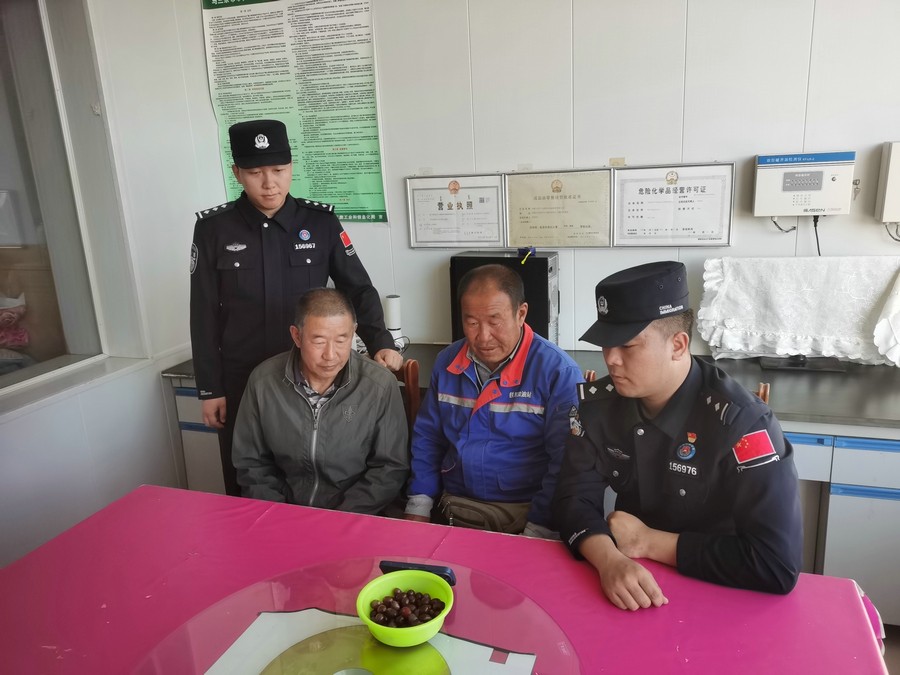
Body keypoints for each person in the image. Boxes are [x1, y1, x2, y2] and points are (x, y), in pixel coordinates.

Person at [552, 261, 802, 611]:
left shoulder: (740, 422)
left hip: (720, 588)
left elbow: (776, 564)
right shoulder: (600, 407)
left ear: (678, 345)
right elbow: (573, 499)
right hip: (630, 578)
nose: (611, 360)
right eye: (606, 345)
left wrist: (649, 542)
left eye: (627, 346)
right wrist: (609, 560)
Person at [190, 119, 401, 496]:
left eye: (278, 170)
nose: (269, 183)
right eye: (255, 172)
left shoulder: (320, 222)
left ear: (291, 167)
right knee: (247, 480)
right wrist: (210, 388)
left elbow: (358, 287)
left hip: (312, 376)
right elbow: (202, 313)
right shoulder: (214, 229)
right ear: (237, 173)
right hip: (242, 379)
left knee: (315, 470)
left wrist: (381, 341)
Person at [404, 264, 582, 537]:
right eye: (472, 323)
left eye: (494, 321)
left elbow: (566, 461)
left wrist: (537, 529)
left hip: (527, 512)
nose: (483, 336)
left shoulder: (557, 371)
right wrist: (419, 505)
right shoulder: (447, 362)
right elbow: (428, 437)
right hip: (456, 506)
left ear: (521, 314)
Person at [232, 288, 408, 513]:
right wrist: (279, 514)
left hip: (356, 515)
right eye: (319, 342)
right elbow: (251, 463)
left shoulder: (379, 385)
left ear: (353, 332)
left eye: (342, 340)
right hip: (283, 513)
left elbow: (389, 468)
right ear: (297, 336)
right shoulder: (263, 382)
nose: (330, 355)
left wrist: (337, 519)